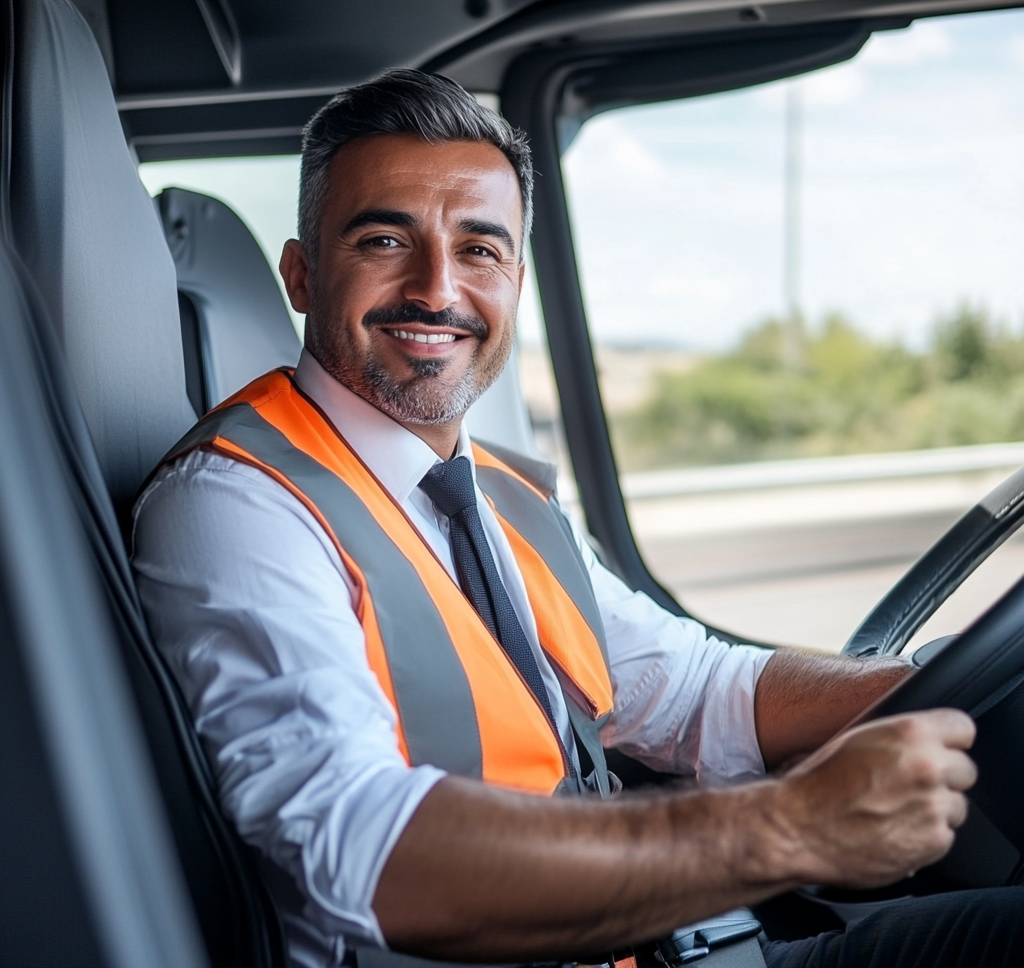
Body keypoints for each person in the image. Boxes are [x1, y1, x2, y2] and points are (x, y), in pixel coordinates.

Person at [132, 69, 1018, 968]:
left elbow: (692, 690)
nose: (436, 289)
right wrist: (786, 831)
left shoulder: (508, 494)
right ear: (302, 273)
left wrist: (939, 677)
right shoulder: (239, 503)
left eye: (480, 249)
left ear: (516, 279)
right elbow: (363, 852)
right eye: (385, 239)